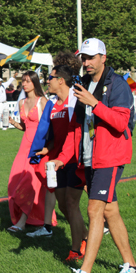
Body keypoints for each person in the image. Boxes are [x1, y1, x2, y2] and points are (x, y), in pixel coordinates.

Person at [67, 38, 136, 273]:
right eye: (83, 58)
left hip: (110, 156)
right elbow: (78, 125)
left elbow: (120, 122)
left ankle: (85, 270)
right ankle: (131, 265)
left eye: (91, 57)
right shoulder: (84, 83)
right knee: (110, 211)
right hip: (90, 156)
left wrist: (94, 103)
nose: (86, 62)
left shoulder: (118, 84)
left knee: (94, 209)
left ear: (103, 58)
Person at [26, 65, 88, 263]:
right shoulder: (53, 103)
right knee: (62, 205)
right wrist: (46, 148)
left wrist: (64, 156)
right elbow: (53, 134)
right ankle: (86, 235)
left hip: (74, 160)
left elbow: (76, 132)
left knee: (71, 203)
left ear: (61, 80)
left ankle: (76, 249)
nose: (47, 82)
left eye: (50, 78)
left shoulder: (75, 101)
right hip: (57, 160)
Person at [6, 71, 48, 232]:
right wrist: (14, 123)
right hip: (23, 148)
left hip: (37, 147)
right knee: (14, 184)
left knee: (29, 186)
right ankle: (25, 218)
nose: (24, 84)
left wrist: (45, 148)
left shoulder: (42, 101)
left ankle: (22, 223)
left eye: (28, 81)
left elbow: (47, 127)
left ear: (35, 83)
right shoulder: (21, 102)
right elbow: (26, 127)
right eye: (23, 81)